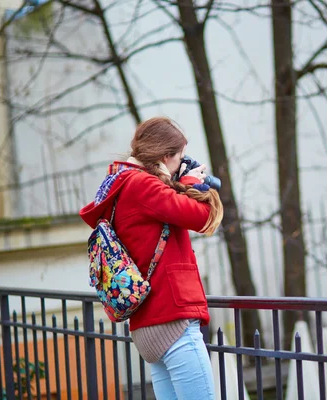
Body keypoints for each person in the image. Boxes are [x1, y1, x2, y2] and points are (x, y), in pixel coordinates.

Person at [79, 116, 223, 399]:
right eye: (179, 157)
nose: (181, 163)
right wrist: (193, 184)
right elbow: (202, 217)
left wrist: (174, 183)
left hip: (148, 326)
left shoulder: (119, 186)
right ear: (165, 156)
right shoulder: (142, 186)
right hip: (174, 321)